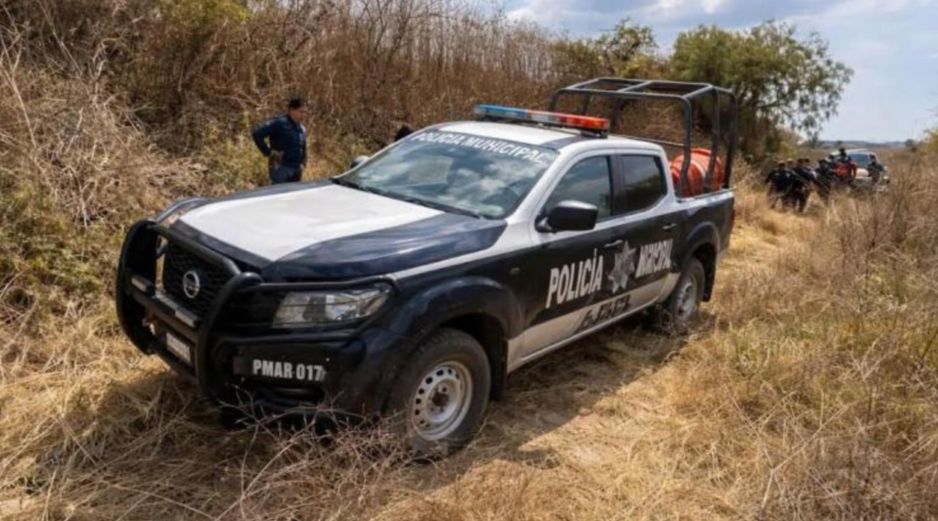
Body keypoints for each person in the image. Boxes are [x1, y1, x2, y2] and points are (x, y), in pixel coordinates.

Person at [252, 97, 309, 184]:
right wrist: (269, 152)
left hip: (296, 169)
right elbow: (257, 134)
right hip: (281, 168)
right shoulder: (279, 123)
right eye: (301, 112)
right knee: (280, 192)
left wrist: (303, 161)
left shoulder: (301, 128)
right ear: (292, 110)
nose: (303, 115)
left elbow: (303, 146)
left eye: (305, 112)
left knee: (295, 193)